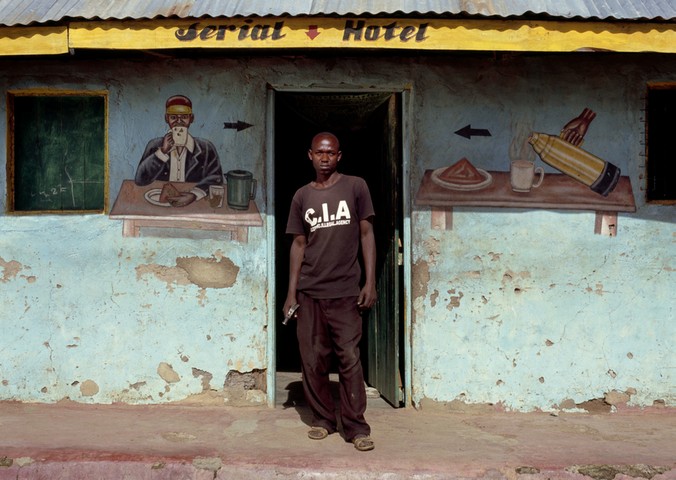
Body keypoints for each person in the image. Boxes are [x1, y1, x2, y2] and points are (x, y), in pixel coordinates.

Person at [283, 132, 377, 452]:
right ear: (309, 155)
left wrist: (370, 282)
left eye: (331, 153)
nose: (325, 158)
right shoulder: (301, 197)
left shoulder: (355, 187)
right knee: (313, 360)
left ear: (340, 156)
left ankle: (356, 427)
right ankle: (323, 419)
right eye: (319, 153)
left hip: (345, 291)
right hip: (309, 292)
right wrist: (290, 294)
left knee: (349, 358)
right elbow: (298, 244)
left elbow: (366, 233)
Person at [134, 95, 224, 206]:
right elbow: (140, 180)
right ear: (166, 118)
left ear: (191, 118)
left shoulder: (206, 147)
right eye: (173, 117)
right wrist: (162, 151)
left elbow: (216, 178)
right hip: (160, 204)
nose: (179, 122)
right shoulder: (155, 145)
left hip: (193, 205)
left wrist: (195, 194)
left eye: (184, 117)